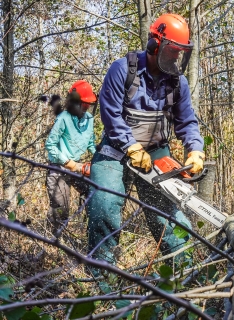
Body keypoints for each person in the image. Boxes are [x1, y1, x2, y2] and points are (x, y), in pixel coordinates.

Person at [86, 13, 204, 268]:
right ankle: (102, 273)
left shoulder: (177, 82)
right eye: (172, 50)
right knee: (103, 203)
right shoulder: (123, 70)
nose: (176, 57)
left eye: (180, 52)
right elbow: (110, 115)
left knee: (170, 215)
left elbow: (187, 121)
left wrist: (195, 150)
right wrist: (131, 147)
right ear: (155, 44)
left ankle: (184, 271)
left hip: (156, 151)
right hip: (116, 148)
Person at [45, 80, 97, 235]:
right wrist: (68, 163)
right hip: (59, 166)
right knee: (61, 208)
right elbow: (50, 145)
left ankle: (92, 235)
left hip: (77, 167)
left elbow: (91, 144)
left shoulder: (89, 119)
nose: (87, 106)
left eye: (89, 103)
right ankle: (53, 240)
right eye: (84, 103)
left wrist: (99, 159)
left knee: (94, 194)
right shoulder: (64, 118)